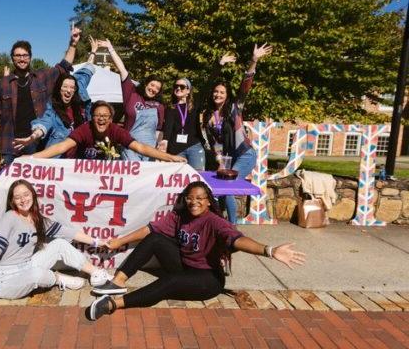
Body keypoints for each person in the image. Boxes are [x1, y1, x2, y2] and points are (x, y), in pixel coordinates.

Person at [85, 180, 306, 320]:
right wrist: (118, 241)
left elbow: (238, 240)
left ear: (209, 201)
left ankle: (112, 304)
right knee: (155, 238)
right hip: (183, 266)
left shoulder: (215, 222)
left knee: (168, 284)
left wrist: (269, 250)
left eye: (200, 198)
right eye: (190, 198)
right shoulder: (180, 216)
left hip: (207, 279)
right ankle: (117, 283)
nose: (194, 202)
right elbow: (149, 229)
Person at [0, 179, 112, 303]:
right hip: (7, 280)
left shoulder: (37, 218)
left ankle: (96, 274)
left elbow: (67, 232)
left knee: (59, 244)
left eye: (26, 194)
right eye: (18, 197)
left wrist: (97, 241)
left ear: (33, 195)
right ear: (12, 201)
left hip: (28, 265)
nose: (23, 200)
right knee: (37, 274)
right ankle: (57, 278)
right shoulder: (9, 218)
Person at [201, 44, 272, 223]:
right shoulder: (209, 116)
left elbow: (245, 87)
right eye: (216, 91)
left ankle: (231, 228)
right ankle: (225, 225)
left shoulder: (234, 108)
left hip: (245, 154)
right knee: (223, 189)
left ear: (226, 95)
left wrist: (253, 61)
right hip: (228, 159)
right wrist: (219, 161)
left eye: (222, 92)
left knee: (227, 188)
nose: (218, 94)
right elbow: (215, 144)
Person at [0, 26, 81, 164]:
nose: (21, 59)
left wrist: (73, 44)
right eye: (18, 55)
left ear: (30, 57)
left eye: (25, 55)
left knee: (34, 183)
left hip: (36, 142)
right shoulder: (3, 83)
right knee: (8, 182)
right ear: (12, 58)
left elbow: (64, 66)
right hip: (10, 144)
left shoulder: (42, 77)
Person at [13, 37, 99, 157]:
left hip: (79, 160)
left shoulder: (79, 92)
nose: (68, 91)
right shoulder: (53, 110)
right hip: (58, 162)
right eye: (65, 87)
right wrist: (33, 136)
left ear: (75, 89)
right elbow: (44, 123)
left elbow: (86, 71)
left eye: (71, 88)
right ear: (59, 89)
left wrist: (93, 51)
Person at [31, 101, 186, 162]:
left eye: (105, 116)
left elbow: (140, 148)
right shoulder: (85, 129)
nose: (101, 119)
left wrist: (170, 158)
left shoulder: (116, 131)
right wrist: (31, 158)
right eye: (98, 115)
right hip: (80, 170)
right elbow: (61, 147)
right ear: (92, 118)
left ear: (111, 119)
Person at [99, 39, 165, 161]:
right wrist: (110, 48)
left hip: (150, 149)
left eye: (157, 88)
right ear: (146, 84)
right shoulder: (132, 93)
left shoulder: (159, 106)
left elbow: (159, 130)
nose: (153, 89)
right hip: (130, 146)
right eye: (152, 85)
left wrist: (158, 149)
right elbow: (123, 70)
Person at [158, 78, 205, 170]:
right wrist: (165, 140)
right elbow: (168, 126)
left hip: (194, 146)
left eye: (182, 86)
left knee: (199, 176)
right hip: (176, 149)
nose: (178, 88)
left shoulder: (194, 105)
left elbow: (206, 88)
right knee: (179, 179)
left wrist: (219, 65)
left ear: (188, 90)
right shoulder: (170, 107)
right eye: (176, 86)